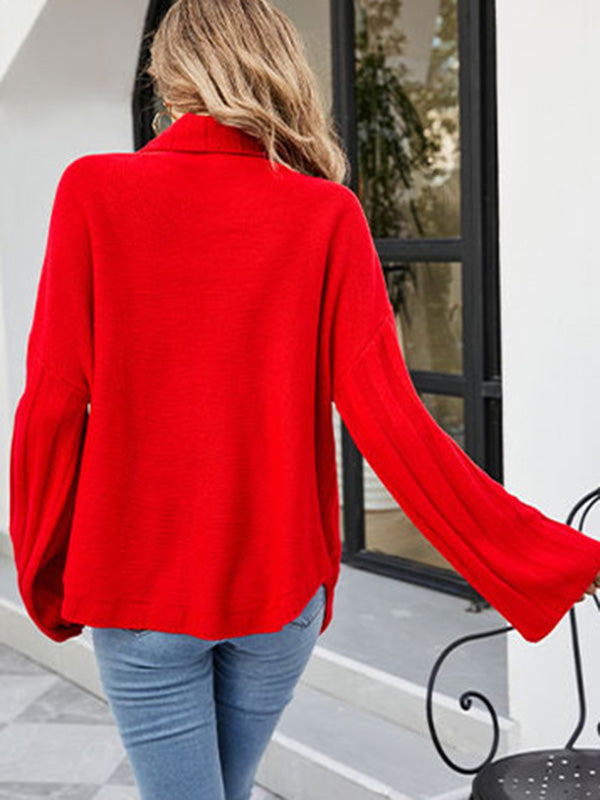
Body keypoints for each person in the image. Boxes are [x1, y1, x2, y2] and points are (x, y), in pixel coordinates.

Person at [8, 0, 600, 798]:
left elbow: (51, 403)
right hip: (278, 592)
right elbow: (396, 426)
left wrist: (44, 570)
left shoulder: (96, 191)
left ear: (170, 78)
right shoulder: (325, 213)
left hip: (142, 590)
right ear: (279, 70)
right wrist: (550, 559)